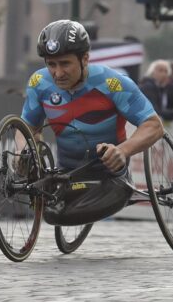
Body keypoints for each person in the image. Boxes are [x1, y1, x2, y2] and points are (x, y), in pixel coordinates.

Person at [21, 20, 164, 224]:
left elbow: (154, 126)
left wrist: (122, 151)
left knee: (58, 215)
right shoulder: (39, 83)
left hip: (109, 176)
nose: (58, 73)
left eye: (65, 63)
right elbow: (28, 127)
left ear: (85, 59)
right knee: (51, 214)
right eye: (51, 64)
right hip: (66, 176)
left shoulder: (113, 83)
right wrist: (23, 151)